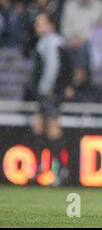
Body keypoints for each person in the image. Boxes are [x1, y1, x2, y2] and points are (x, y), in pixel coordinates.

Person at [29, 12, 73, 185]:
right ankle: (45, 167)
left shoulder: (53, 43)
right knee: (39, 127)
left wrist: (50, 90)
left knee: (52, 129)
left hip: (50, 94)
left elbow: (55, 69)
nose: (37, 26)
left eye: (41, 23)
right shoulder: (44, 43)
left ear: (51, 25)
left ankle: (59, 169)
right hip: (46, 94)